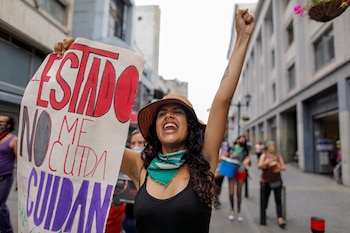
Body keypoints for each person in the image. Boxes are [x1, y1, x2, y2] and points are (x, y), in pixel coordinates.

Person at [54, 9, 254, 233]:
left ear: (190, 126)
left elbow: (222, 101)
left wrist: (242, 37)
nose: (168, 115)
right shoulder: (140, 167)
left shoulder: (204, 161)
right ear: (156, 129)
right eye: (161, 113)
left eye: (177, 112)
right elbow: (94, 131)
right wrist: (75, 66)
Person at [258, 141, 286, 229]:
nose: (272, 147)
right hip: (266, 181)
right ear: (267, 147)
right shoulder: (264, 156)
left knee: (278, 200)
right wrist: (267, 162)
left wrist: (279, 167)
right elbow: (259, 166)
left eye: (273, 146)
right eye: (270, 146)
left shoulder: (278, 156)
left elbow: (283, 166)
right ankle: (264, 214)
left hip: (277, 180)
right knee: (265, 199)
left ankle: (280, 218)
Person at [0, 114, 17, 233]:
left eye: (1, 122)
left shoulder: (13, 139)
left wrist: (19, 181)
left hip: (4, 178)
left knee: (0, 207)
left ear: (8, 125)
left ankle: (7, 231)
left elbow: (21, 160)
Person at [227, 136, 250, 221]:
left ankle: (239, 211)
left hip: (241, 170)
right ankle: (232, 209)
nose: (242, 141)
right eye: (241, 139)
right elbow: (226, 156)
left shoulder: (245, 149)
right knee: (231, 193)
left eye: (244, 140)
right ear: (237, 140)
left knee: (239, 193)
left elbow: (248, 160)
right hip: (231, 170)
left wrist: (247, 161)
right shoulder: (231, 148)